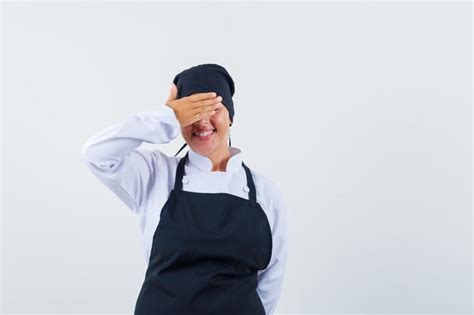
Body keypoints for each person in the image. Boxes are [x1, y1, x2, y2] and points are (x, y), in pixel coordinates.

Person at [81, 63, 288, 315]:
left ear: (231, 116)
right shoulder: (155, 174)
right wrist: (165, 116)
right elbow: (95, 154)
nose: (202, 121)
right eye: (191, 111)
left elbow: (271, 281)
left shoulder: (265, 192)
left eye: (213, 108)